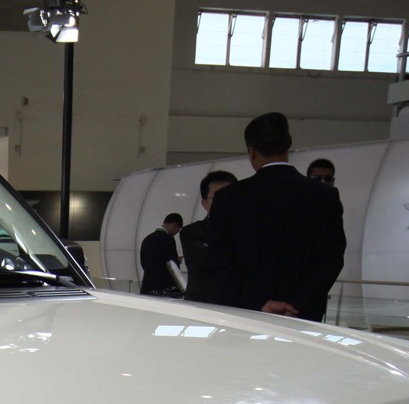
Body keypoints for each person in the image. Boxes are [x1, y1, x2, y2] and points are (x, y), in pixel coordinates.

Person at [204, 112, 346, 320]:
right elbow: (332, 258)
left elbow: (219, 260)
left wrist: (258, 301)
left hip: (246, 315)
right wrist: (300, 304)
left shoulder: (229, 199)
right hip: (304, 317)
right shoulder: (325, 196)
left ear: (251, 152)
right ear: (289, 143)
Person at [181, 169, 237, 305]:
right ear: (204, 203)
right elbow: (210, 261)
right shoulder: (191, 232)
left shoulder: (248, 230)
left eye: (230, 195)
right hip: (203, 309)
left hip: (240, 309)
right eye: (218, 197)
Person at [139, 212, 185, 297]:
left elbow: (143, 262)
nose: (176, 233)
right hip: (163, 289)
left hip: (147, 286)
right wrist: (177, 261)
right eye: (177, 230)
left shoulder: (147, 238)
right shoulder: (168, 239)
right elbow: (171, 265)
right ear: (175, 225)